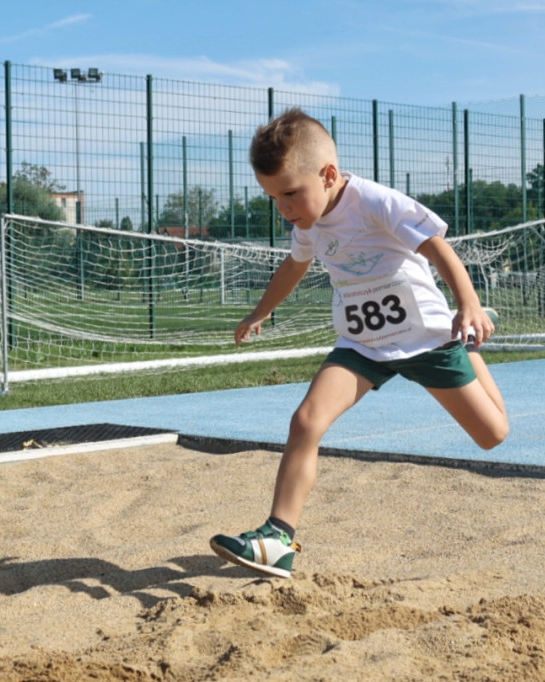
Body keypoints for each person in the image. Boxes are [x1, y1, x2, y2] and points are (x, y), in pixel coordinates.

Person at [209, 108, 509, 578]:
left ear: (329, 175)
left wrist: (467, 303)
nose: (284, 208)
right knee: (306, 420)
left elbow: (436, 245)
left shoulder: (374, 202)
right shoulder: (306, 224)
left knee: (493, 436)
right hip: (362, 345)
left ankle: (471, 344)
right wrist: (260, 311)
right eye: (273, 199)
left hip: (426, 338)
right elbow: (294, 266)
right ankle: (277, 538)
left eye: (291, 194)